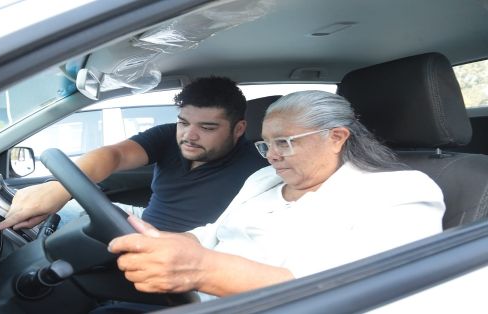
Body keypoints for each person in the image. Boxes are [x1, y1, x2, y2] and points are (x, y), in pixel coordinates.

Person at [105, 90, 445, 309]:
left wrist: (199, 269)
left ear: (337, 138)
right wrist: (156, 239)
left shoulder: (402, 192)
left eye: (285, 142)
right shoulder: (264, 179)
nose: (272, 156)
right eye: (266, 144)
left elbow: (342, 291)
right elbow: (213, 233)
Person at [0, 76, 268, 233]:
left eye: (207, 127)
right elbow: (114, 156)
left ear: (239, 128)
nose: (189, 135)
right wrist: (60, 187)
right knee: (8, 207)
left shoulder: (259, 168)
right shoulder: (167, 137)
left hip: (177, 248)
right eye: (184, 122)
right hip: (140, 220)